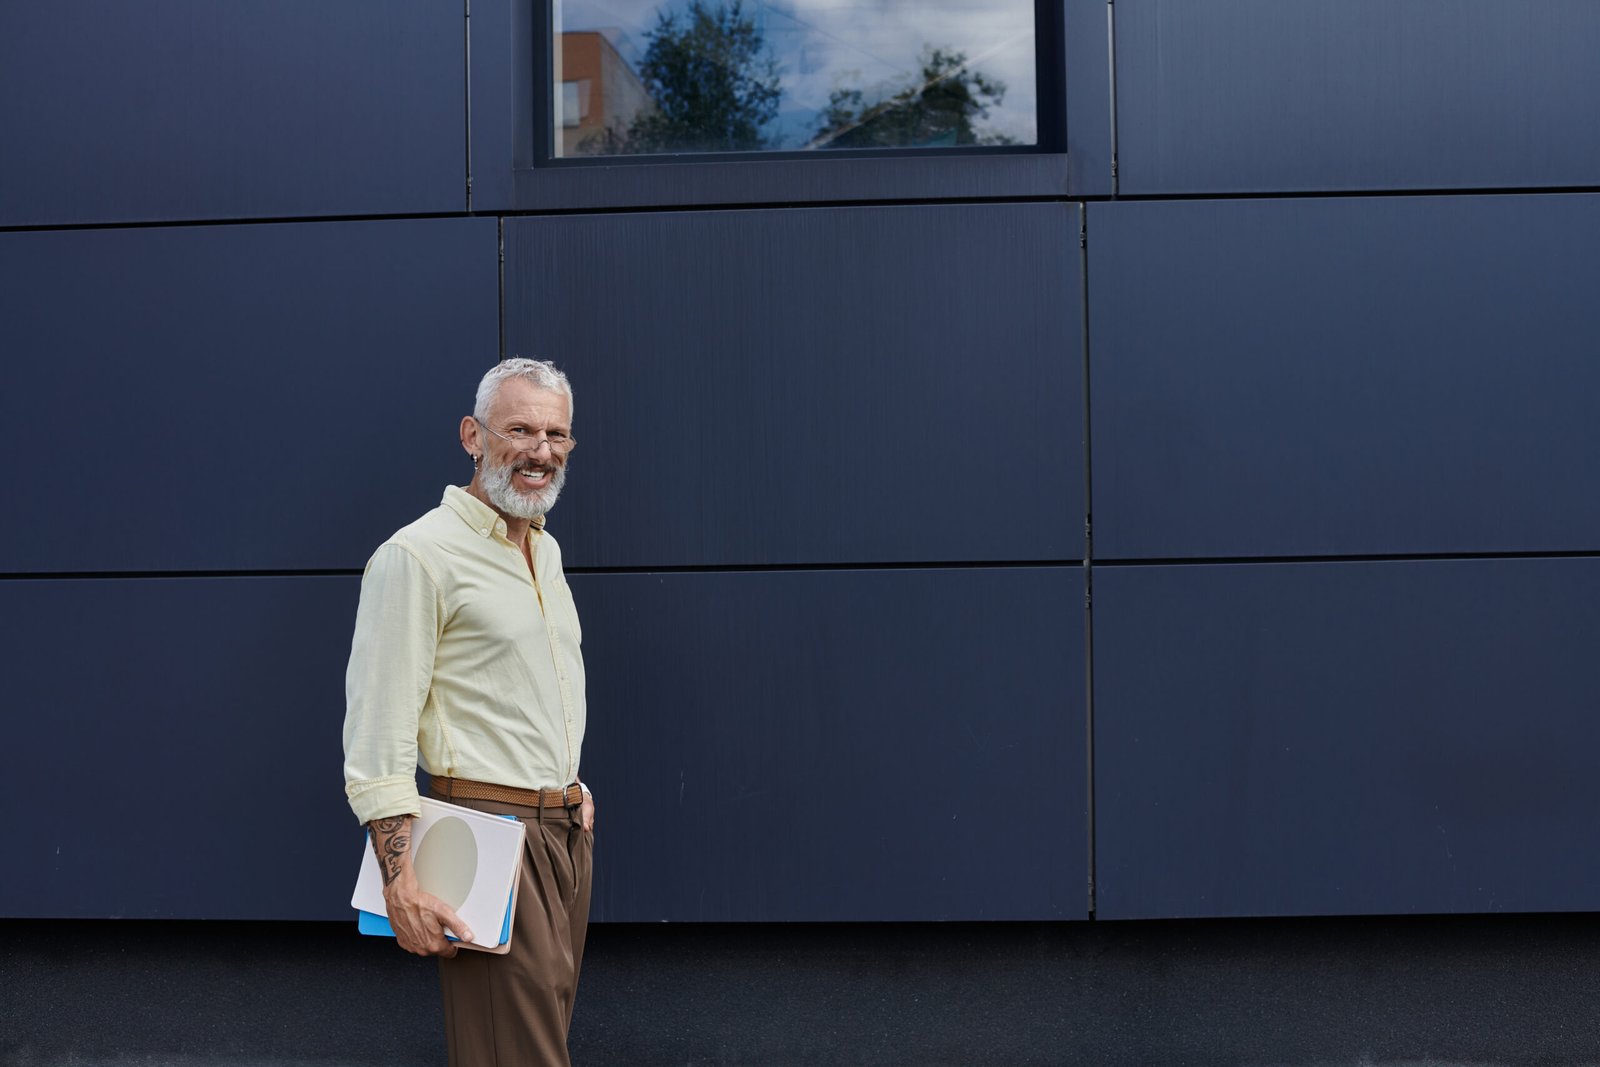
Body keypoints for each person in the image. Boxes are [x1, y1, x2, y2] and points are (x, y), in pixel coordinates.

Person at [343, 357, 595, 1067]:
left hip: (564, 834)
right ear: (472, 435)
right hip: (489, 836)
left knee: (524, 1048)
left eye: (556, 434)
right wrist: (399, 880)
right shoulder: (417, 556)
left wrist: (566, 783)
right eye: (520, 429)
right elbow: (378, 735)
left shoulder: (543, 550)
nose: (540, 451)